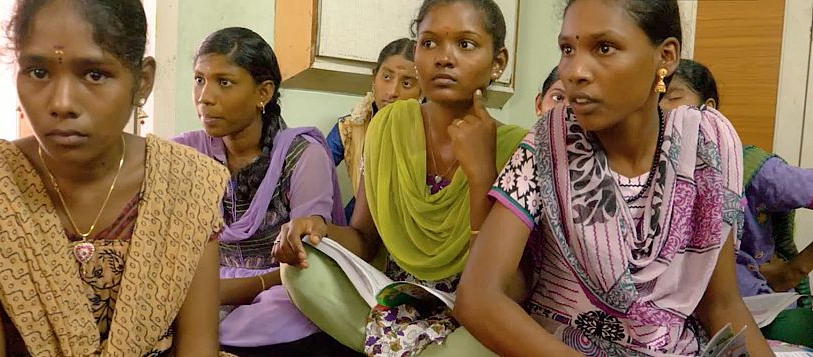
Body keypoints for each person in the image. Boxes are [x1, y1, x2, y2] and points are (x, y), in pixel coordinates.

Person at [456, 0, 775, 356]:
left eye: (604, 48)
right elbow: (479, 297)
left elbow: (721, 305)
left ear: (665, 56)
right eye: (567, 49)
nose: (574, 71)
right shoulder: (549, 144)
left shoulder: (704, 148)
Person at [0, 0, 225, 356]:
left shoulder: (187, 184)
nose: (61, 103)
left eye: (94, 74)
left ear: (142, 82)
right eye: (38, 72)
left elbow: (198, 345)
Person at [274, 0, 528, 355]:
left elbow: (511, 290)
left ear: (497, 62)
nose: (443, 57)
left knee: (486, 341)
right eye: (429, 43)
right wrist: (318, 228)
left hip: (470, 312)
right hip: (390, 302)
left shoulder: (518, 148)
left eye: (465, 44)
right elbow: (365, 238)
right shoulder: (388, 126)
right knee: (301, 270)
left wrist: (482, 176)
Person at [171, 27, 351, 357]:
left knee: (293, 309)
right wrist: (207, 290)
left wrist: (232, 290)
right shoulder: (183, 154)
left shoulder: (301, 154)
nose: (204, 96)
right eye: (199, 79)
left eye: (224, 82)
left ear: (263, 93)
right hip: (204, 288)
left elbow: (308, 260)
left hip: (278, 289)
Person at [661, 58, 813, 348]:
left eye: (674, 97)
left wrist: (797, 268)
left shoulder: (750, 167)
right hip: (680, 323)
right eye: (656, 98)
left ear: (710, 109)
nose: (662, 109)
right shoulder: (651, 173)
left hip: (755, 313)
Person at [326, 38, 421, 221]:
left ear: (422, 90)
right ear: (374, 78)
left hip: (411, 228)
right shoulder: (349, 128)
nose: (393, 91)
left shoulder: (431, 135)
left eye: (407, 83)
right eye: (387, 77)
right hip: (360, 220)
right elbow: (313, 168)